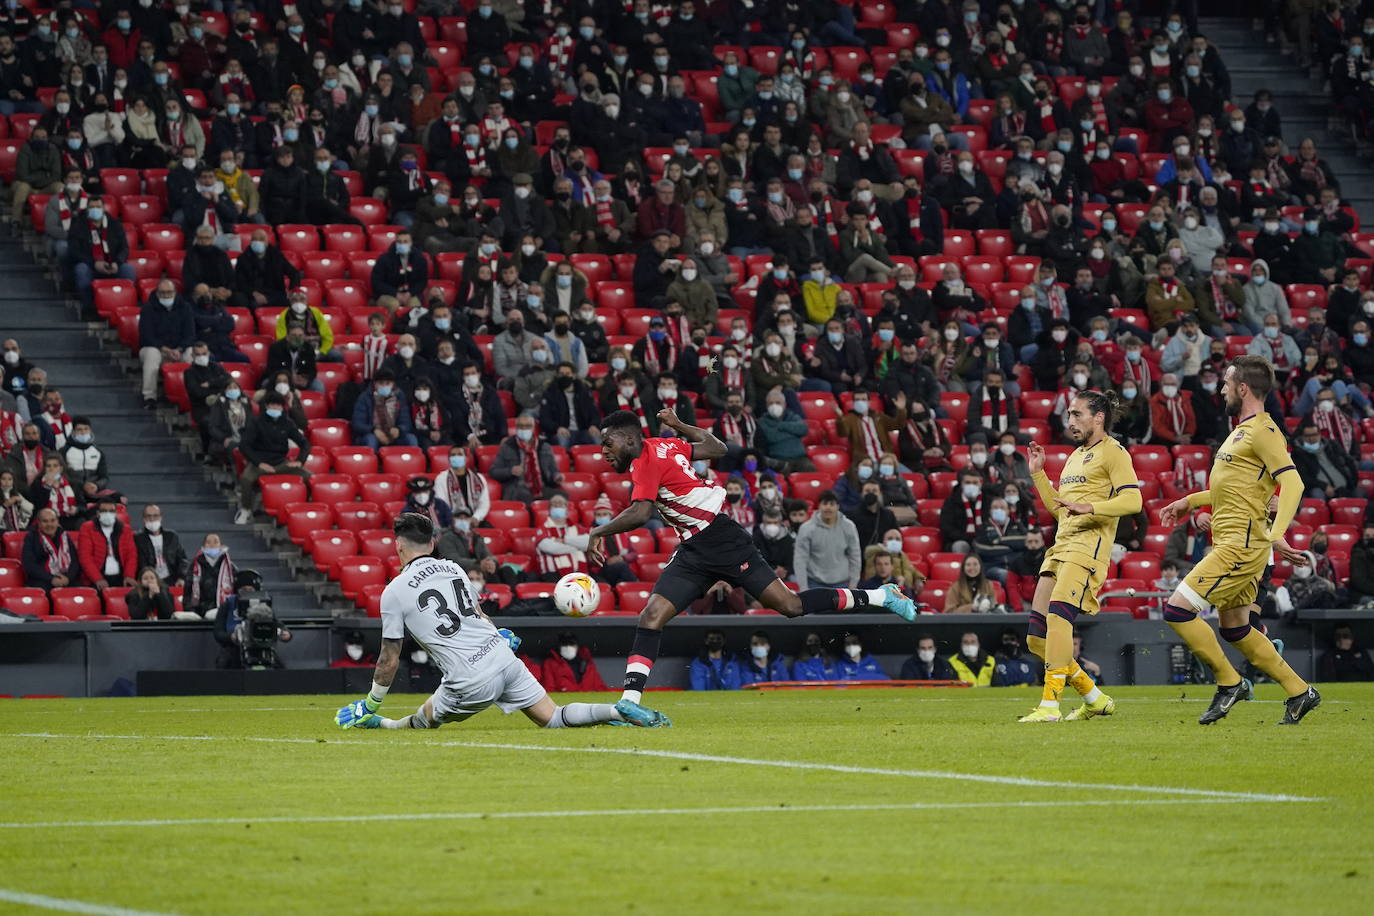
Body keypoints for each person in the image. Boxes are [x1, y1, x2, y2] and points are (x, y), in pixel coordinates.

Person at [587, 410, 917, 725]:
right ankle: (630, 702)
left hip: (723, 539)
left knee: (790, 605)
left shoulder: (647, 460)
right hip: (694, 549)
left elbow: (641, 513)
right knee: (651, 615)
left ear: (629, 440)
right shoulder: (664, 445)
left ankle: (881, 596)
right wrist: (679, 425)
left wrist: (598, 531)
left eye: (608, 443)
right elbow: (717, 447)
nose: (603, 452)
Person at [335, 513, 632, 731]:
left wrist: (371, 702)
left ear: (398, 545)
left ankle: (379, 722)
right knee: (554, 717)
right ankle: (619, 711)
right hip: (504, 660)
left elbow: (389, 658)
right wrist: (498, 635)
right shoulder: (454, 568)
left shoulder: (394, 591)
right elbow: (479, 616)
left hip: (469, 681)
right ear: (432, 542)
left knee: (419, 723)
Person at [1156, 355, 1320, 725]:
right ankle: (1300, 692)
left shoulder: (1264, 430)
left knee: (1177, 610)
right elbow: (1230, 492)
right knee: (1236, 629)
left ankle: (1230, 682)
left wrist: (1275, 534)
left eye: (1227, 383)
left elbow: (1293, 482)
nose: (1222, 388)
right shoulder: (1241, 431)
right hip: (1233, 540)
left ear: (1243, 388)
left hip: (1241, 546)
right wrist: (1188, 501)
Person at [1020, 390, 1138, 722]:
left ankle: (1049, 705)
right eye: (1069, 415)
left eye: (1077, 414)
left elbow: (1134, 502)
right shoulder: (1075, 456)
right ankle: (1094, 697)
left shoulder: (1114, 453)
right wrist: (1038, 474)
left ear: (1098, 417)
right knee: (1035, 639)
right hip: (1059, 548)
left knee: (1059, 621)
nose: (1070, 421)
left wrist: (1092, 506)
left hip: (1088, 550)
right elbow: (1061, 512)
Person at [234, 391, 311, 525]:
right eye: (272, 406)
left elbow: (305, 443)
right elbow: (244, 445)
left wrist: (300, 460)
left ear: (282, 408)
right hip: (260, 462)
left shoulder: (287, 423)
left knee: (309, 477)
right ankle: (246, 510)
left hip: (281, 463)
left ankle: (304, 508)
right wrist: (258, 463)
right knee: (246, 479)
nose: (275, 409)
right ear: (266, 407)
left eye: (278, 406)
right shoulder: (256, 422)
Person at [793, 491, 863, 590]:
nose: (828, 507)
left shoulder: (849, 526)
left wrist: (853, 584)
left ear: (838, 506)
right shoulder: (806, 528)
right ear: (819, 506)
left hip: (842, 584)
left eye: (832, 504)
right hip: (814, 583)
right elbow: (800, 560)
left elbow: (855, 556)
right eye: (825, 504)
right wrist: (803, 588)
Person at [76, 492, 137, 591]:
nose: (108, 514)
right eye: (104, 511)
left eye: (111, 511)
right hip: (95, 578)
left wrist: (129, 575)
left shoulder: (125, 529)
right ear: (98, 513)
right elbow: (85, 557)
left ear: (115, 513)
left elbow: (131, 555)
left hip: (121, 577)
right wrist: (97, 578)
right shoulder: (87, 528)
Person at [21, 507, 81, 590]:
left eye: (53, 520)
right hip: (42, 579)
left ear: (57, 522)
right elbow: (29, 564)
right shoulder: (31, 537)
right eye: (45, 521)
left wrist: (68, 578)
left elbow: (75, 561)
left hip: (65, 578)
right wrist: (51, 578)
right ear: (38, 523)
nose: (49, 524)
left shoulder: (64, 536)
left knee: (81, 593)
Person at [133, 504, 186, 589]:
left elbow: (182, 559)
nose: (152, 519)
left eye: (155, 516)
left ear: (161, 517)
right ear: (144, 519)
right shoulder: (138, 539)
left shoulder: (172, 536)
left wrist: (181, 577)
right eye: (148, 516)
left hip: (171, 580)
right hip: (148, 581)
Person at [539, 633, 610, 692]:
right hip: (565, 705)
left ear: (577, 646)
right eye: (564, 644)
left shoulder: (587, 664)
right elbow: (548, 688)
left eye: (571, 644)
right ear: (559, 647)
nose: (568, 647)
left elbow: (600, 688)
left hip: (587, 705)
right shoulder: (550, 664)